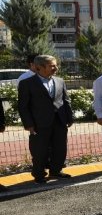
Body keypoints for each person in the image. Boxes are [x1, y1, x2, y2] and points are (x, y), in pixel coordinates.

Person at [17, 55, 73, 183]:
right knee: (39, 150)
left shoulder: (60, 81)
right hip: (38, 123)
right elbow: (23, 106)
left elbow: (66, 100)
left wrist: (69, 117)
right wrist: (28, 124)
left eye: (55, 65)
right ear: (39, 67)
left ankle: (56, 170)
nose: (55, 68)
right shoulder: (27, 83)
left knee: (60, 147)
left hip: (59, 121)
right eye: (51, 66)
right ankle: (39, 174)